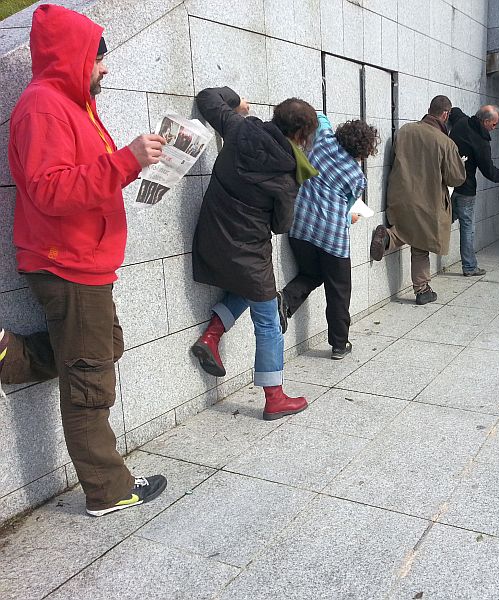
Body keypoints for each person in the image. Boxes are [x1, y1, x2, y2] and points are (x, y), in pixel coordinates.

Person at [1, 5, 168, 516]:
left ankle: (9, 354)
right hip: (67, 264)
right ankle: (108, 490)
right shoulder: (44, 107)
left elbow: (83, 176)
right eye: (98, 59)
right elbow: (51, 190)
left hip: (83, 261)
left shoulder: (72, 104)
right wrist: (125, 160)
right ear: (72, 58)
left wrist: (133, 164)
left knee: (100, 351)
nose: (105, 68)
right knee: (90, 383)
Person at [190, 87, 318, 420]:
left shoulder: (239, 127)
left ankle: (211, 336)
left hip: (210, 238)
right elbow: (280, 225)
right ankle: (275, 398)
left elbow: (207, 98)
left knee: (247, 291)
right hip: (249, 252)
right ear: (301, 136)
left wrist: (236, 102)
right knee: (268, 321)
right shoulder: (288, 176)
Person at [279, 114, 379, 360]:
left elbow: (319, 116)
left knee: (312, 273)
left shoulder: (322, 139)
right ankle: (339, 344)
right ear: (363, 152)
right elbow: (346, 211)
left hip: (300, 228)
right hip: (332, 239)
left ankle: (286, 300)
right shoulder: (357, 177)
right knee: (339, 291)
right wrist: (350, 219)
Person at [369, 96, 466, 304]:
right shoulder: (445, 143)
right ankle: (422, 290)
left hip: (400, 196)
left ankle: (387, 238)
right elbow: (456, 178)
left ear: (429, 109)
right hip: (427, 201)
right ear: (445, 114)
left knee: (404, 230)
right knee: (421, 244)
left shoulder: (405, 131)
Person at [448, 105, 499, 276]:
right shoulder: (481, 142)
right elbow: (489, 172)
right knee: (467, 227)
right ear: (485, 121)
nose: (495, 128)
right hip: (466, 189)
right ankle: (469, 267)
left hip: (448, 185)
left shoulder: (461, 122)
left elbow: (455, 111)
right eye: (494, 124)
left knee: (447, 217)